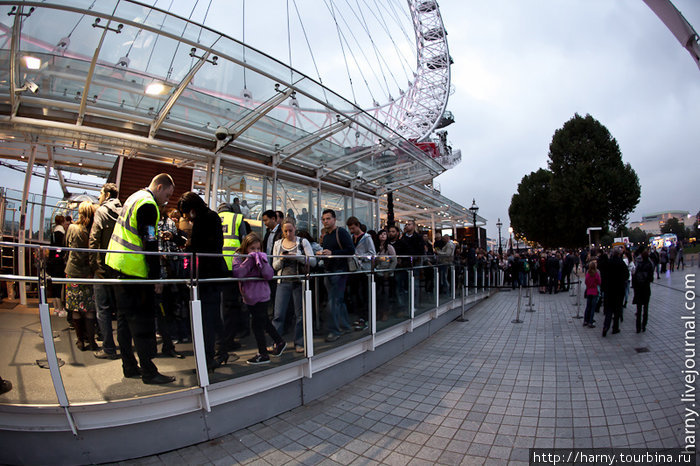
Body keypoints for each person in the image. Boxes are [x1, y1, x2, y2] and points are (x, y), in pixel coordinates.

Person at [105, 173, 176, 385]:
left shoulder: (134, 197)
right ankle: (148, 371)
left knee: (125, 322)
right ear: (160, 186)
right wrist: (156, 278)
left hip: (117, 265)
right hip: (134, 271)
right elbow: (150, 244)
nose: (167, 199)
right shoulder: (148, 205)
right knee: (142, 323)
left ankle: (129, 366)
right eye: (167, 194)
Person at [177, 192, 231, 369]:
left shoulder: (203, 219)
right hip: (213, 274)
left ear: (191, 210)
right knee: (213, 316)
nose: (185, 217)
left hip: (206, 275)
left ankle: (208, 360)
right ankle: (220, 351)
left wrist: (188, 245)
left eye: (185, 213)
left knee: (207, 319)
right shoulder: (211, 217)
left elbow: (200, 246)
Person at [233, 233, 286, 364]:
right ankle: (279, 342)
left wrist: (261, 262)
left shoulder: (261, 257)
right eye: (252, 249)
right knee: (264, 322)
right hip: (249, 296)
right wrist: (249, 260)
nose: (256, 252)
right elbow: (238, 274)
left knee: (257, 324)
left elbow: (269, 275)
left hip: (262, 295)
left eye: (258, 249)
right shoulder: (239, 257)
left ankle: (263, 353)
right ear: (246, 247)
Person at [271, 217, 316, 353]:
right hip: (283, 281)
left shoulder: (303, 242)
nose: (288, 234)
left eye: (290, 230)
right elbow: (274, 265)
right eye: (285, 231)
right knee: (278, 314)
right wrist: (283, 259)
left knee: (300, 314)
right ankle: (277, 341)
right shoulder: (278, 244)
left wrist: (296, 256)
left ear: (295, 228)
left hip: (298, 282)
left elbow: (312, 261)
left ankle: (299, 342)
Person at [89, 183, 122, 360]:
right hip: (120, 267)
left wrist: (94, 266)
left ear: (107, 194)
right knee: (122, 310)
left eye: (101, 193)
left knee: (103, 309)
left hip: (102, 268)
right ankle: (124, 347)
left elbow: (94, 239)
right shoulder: (124, 211)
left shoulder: (101, 212)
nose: (100, 196)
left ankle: (109, 348)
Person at [317, 209, 355, 342]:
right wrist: (323, 254)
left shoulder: (341, 232)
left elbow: (351, 250)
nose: (325, 221)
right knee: (338, 301)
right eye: (323, 219)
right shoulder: (326, 236)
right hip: (329, 271)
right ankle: (344, 326)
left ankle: (334, 330)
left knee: (333, 302)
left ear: (334, 219)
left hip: (340, 271)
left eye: (328, 218)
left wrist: (332, 252)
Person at [154, 207, 186, 359]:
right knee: (160, 309)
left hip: (169, 271)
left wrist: (172, 237)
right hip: (159, 272)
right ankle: (165, 341)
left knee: (169, 307)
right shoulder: (154, 223)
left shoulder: (168, 224)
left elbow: (175, 247)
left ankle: (169, 342)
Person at [65, 201, 97, 351]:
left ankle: (80, 341)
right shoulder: (93, 230)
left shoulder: (72, 228)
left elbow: (67, 247)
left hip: (73, 273)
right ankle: (92, 341)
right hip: (89, 274)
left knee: (76, 309)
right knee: (90, 308)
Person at [218, 202, 248, 354]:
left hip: (217, 266)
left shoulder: (215, 217)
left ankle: (219, 338)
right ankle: (228, 339)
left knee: (218, 303)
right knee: (231, 304)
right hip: (233, 265)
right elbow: (244, 240)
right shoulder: (237, 218)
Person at [601, 249, 629, 337]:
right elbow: (626, 275)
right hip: (619, 289)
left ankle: (606, 326)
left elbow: (604, 275)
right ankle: (615, 327)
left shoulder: (608, 263)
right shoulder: (621, 263)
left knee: (609, 309)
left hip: (609, 289)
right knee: (617, 309)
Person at [47, 214, 68, 317]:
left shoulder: (53, 233)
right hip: (59, 262)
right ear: (63, 221)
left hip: (52, 262)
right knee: (59, 285)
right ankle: (60, 309)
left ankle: (56, 308)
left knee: (54, 285)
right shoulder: (61, 233)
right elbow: (61, 249)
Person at [374, 229, 397, 321]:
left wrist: (389, 271)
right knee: (378, 294)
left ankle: (385, 312)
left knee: (385, 294)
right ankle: (378, 312)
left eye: (384, 234)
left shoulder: (389, 247)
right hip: (378, 273)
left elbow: (394, 260)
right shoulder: (376, 247)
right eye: (381, 234)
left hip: (387, 274)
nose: (383, 236)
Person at [633, 246, 654, 333]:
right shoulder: (650, 265)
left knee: (639, 309)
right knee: (646, 309)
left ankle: (638, 327)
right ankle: (643, 325)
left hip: (639, 289)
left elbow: (634, 276)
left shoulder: (638, 265)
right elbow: (651, 279)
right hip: (646, 289)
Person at [583, 260, 600, 328]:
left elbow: (586, 281)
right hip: (594, 291)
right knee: (593, 307)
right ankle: (590, 321)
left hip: (589, 290)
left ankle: (585, 320)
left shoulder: (588, 273)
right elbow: (599, 282)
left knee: (588, 306)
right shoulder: (596, 273)